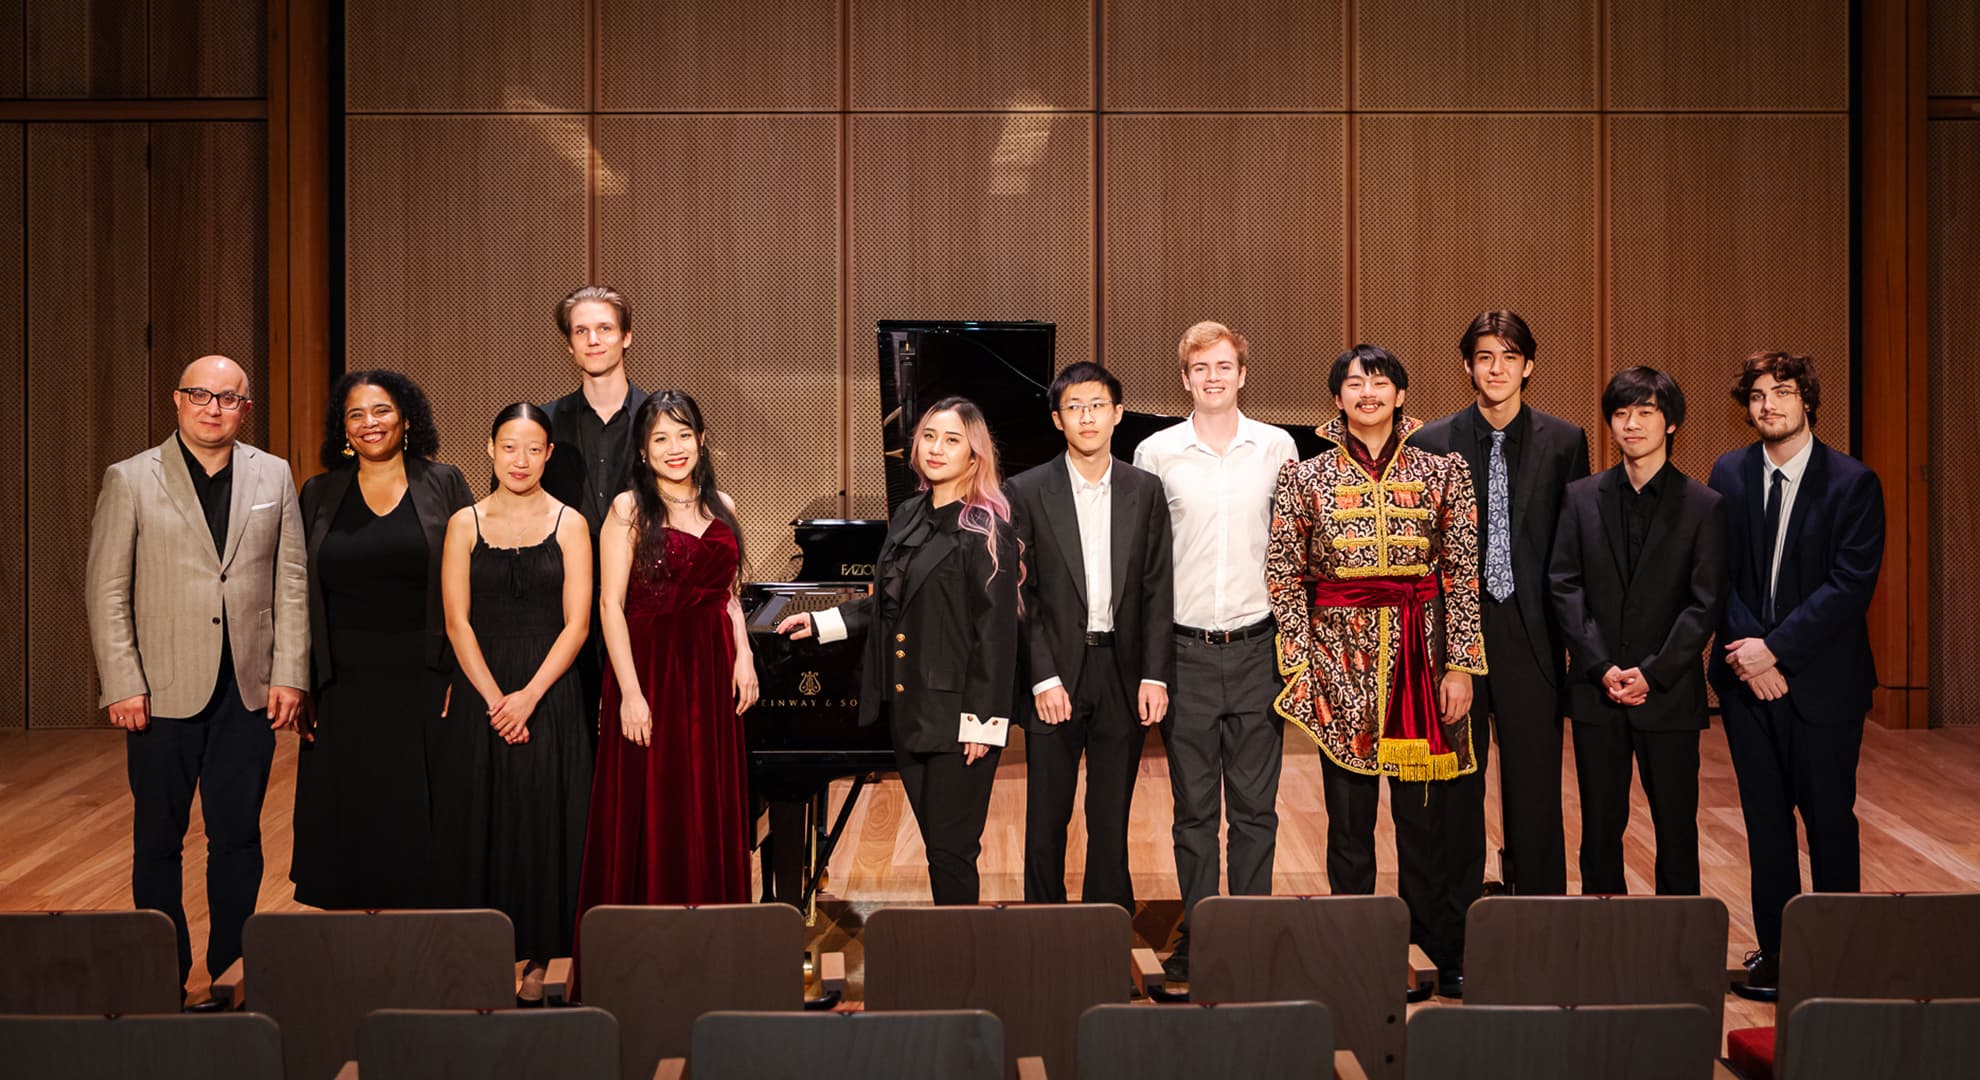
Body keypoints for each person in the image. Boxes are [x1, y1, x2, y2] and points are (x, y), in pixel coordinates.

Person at [85, 355, 308, 1000]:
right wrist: (122, 681)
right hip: (158, 691)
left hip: (249, 687)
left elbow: (289, 582)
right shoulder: (130, 479)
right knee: (159, 838)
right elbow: (107, 591)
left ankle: (232, 973)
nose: (213, 408)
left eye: (229, 398)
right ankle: (162, 971)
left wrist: (289, 672)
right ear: (176, 401)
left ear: (246, 407)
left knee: (237, 836)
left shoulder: (273, 473)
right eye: (199, 395)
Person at [1266, 344, 1486, 994]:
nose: (1368, 392)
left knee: (1424, 826)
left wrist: (1462, 666)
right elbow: (1284, 577)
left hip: (1424, 662)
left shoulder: (1444, 471)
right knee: (1350, 828)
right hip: (1342, 667)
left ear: (1400, 394)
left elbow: (1463, 576)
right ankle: (1354, 952)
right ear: (1336, 399)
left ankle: (1434, 948)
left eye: (1380, 381)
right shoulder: (1303, 478)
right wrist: (1302, 666)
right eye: (1354, 383)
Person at [778, 397, 1021, 906]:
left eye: (952, 440)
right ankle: (952, 960)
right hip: (910, 712)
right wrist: (826, 620)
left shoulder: (987, 526)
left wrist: (983, 721)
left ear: (974, 456)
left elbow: (996, 635)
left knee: (952, 851)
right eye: (929, 436)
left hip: (959, 720)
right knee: (938, 846)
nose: (936, 448)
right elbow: (888, 604)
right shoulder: (909, 513)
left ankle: (968, 969)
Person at [1411, 311, 1590, 989]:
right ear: (1467, 366)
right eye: (1482, 356)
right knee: (1458, 792)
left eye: (1508, 356)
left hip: (1531, 637)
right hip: (1456, 638)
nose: (1495, 368)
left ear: (1528, 366)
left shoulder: (1566, 441)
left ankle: (1538, 935)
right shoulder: (1432, 440)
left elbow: (1574, 545)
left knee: (1535, 795)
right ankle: (1455, 945)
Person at [1707, 352, 1884, 1001]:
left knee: (1830, 819)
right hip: (1746, 681)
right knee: (1767, 824)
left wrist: (1774, 651)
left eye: (1781, 393)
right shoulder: (1728, 472)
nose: (1768, 405)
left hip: (1823, 684)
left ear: (1806, 400)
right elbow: (1715, 573)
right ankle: (1776, 952)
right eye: (1756, 395)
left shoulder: (1852, 482)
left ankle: (1838, 953)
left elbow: (1849, 586)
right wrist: (1749, 655)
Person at [1132, 321, 1297, 982]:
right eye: (1201, 369)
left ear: (1242, 374)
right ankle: (1200, 936)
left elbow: (1293, 551)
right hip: (1187, 653)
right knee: (1195, 810)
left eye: (1225, 366)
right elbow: (1144, 567)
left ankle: (1248, 936)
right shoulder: (1156, 453)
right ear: (1185, 378)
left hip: (1259, 648)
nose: (1214, 378)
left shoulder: (1277, 447)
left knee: (1256, 808)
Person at [290, 370, 473, 909]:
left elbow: (470, 582)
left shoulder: (444, 483)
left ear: (407, 419)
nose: (369, 423)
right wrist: (302, 681)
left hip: (426, 674)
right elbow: (297, 588)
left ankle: (426, 950)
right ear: (342, 429)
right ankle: (353, 953)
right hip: (342, 682)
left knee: (423, 820)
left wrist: (461, 673)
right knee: (351, 814)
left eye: (382, 411)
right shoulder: (318, 492)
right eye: (356, 415)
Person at [575, 391, 759, 911]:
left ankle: (715, 940)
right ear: (642, 450)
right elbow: (610, 605)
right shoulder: (628, 509)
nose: (674, 448)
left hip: (713, 669)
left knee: (707, 800)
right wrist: (629, 694)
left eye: (683, 435)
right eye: (660, 438)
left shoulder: (723, 506)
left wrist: (743, 654)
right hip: (651, 670)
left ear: (702, 440)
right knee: (655, 802)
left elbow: (728, 595)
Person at [1549, 367, 1726, 897]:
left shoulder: (1703, 505)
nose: (1632, 424)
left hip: (1668, 692)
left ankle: (1679, 950)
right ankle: (1604, 948)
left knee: (1676, 830)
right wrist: (1601, 666)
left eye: (1646, 412)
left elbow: (1704, 603)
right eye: (1622, 413)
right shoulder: (1581, 497)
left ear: (1670, 423)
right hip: (1595, 690)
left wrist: (1652, 672)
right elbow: (1564, 584)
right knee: (1600, 829)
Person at [440, 403, 594, 1002]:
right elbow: (457, 622)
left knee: (541, 821)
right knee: (483, 818)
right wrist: (496, 699)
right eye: (509, 447)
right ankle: (480, 956)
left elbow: (578, 623)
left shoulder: (572, 524)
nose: (521, 460)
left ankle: (538, 960)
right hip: (484, 689)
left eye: (533, 449)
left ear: (549, 454)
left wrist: (527, 697)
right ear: (489, 449)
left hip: (548, 691)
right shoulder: (463, 523)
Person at [1010, 361, 1174, 911]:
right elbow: (1022, 597)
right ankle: (1043, 927)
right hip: (1055, 671)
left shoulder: (1144, 489)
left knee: (1111, 815)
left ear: (1118, 414)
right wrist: (1042, 678)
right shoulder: (1026, 491)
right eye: (1075, 408)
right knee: (1047, 814)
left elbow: (1156, 588)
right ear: (1058, 420)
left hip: (1122, 672)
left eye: (1098, 406)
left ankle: (1107, 933)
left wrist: (1154, 673)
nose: (1087, 417)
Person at [542, 285, 650, 733]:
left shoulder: (658, 420)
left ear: (626, 336)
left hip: (645, 600)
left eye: (604, 328)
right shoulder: (543, 423)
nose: (593, 339)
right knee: (572, 736)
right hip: (564, 607)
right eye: (581, 331)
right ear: (569, 344)